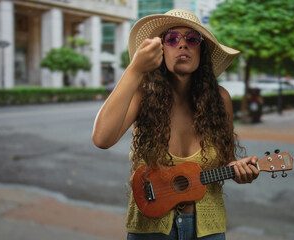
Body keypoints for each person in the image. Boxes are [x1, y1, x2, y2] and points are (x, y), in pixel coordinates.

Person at [92, 9, 260, 240]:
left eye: (192, 39)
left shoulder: (220, 99)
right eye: (171, 39)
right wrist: (135, 69)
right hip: (151, 229)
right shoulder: (143, 95)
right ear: (160, 50)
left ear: (201, 50)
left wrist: (240, 170)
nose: (182, 44)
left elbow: (225, 161)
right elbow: (102, 139)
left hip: (208, 230)